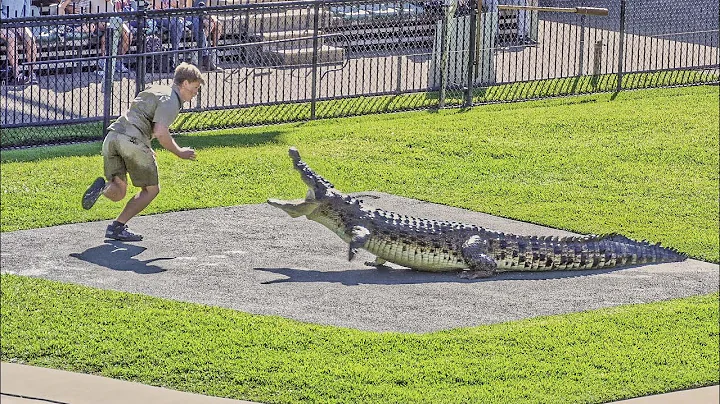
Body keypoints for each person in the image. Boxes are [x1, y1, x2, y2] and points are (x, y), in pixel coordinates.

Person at [81, 62, 203, 241]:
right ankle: (117, 227)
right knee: (151, 190)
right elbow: (161, 132)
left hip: (113, 136)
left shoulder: (157, 89)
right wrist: (179, 152)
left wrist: (146, 145)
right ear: (184, 83)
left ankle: (103, 189)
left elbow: (139, 117)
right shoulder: (171, 100)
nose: (195, 93)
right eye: (195, 88)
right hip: (133, 141)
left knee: (118, 191)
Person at [57, 0, 132, 75]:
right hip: (98, 20)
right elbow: (63, 5)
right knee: (109, 31)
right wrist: (69, 7)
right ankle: (105, 63)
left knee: (128, 35)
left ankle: (116, 61)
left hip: (112, 18)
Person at [0, 0, 39, 86]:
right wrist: (9, 24)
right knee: (12, 38)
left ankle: (31, 73)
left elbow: (26, 9)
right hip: (2, 24)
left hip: (19, 23)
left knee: (31, 40)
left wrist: (20, 23)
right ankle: (16, 75)